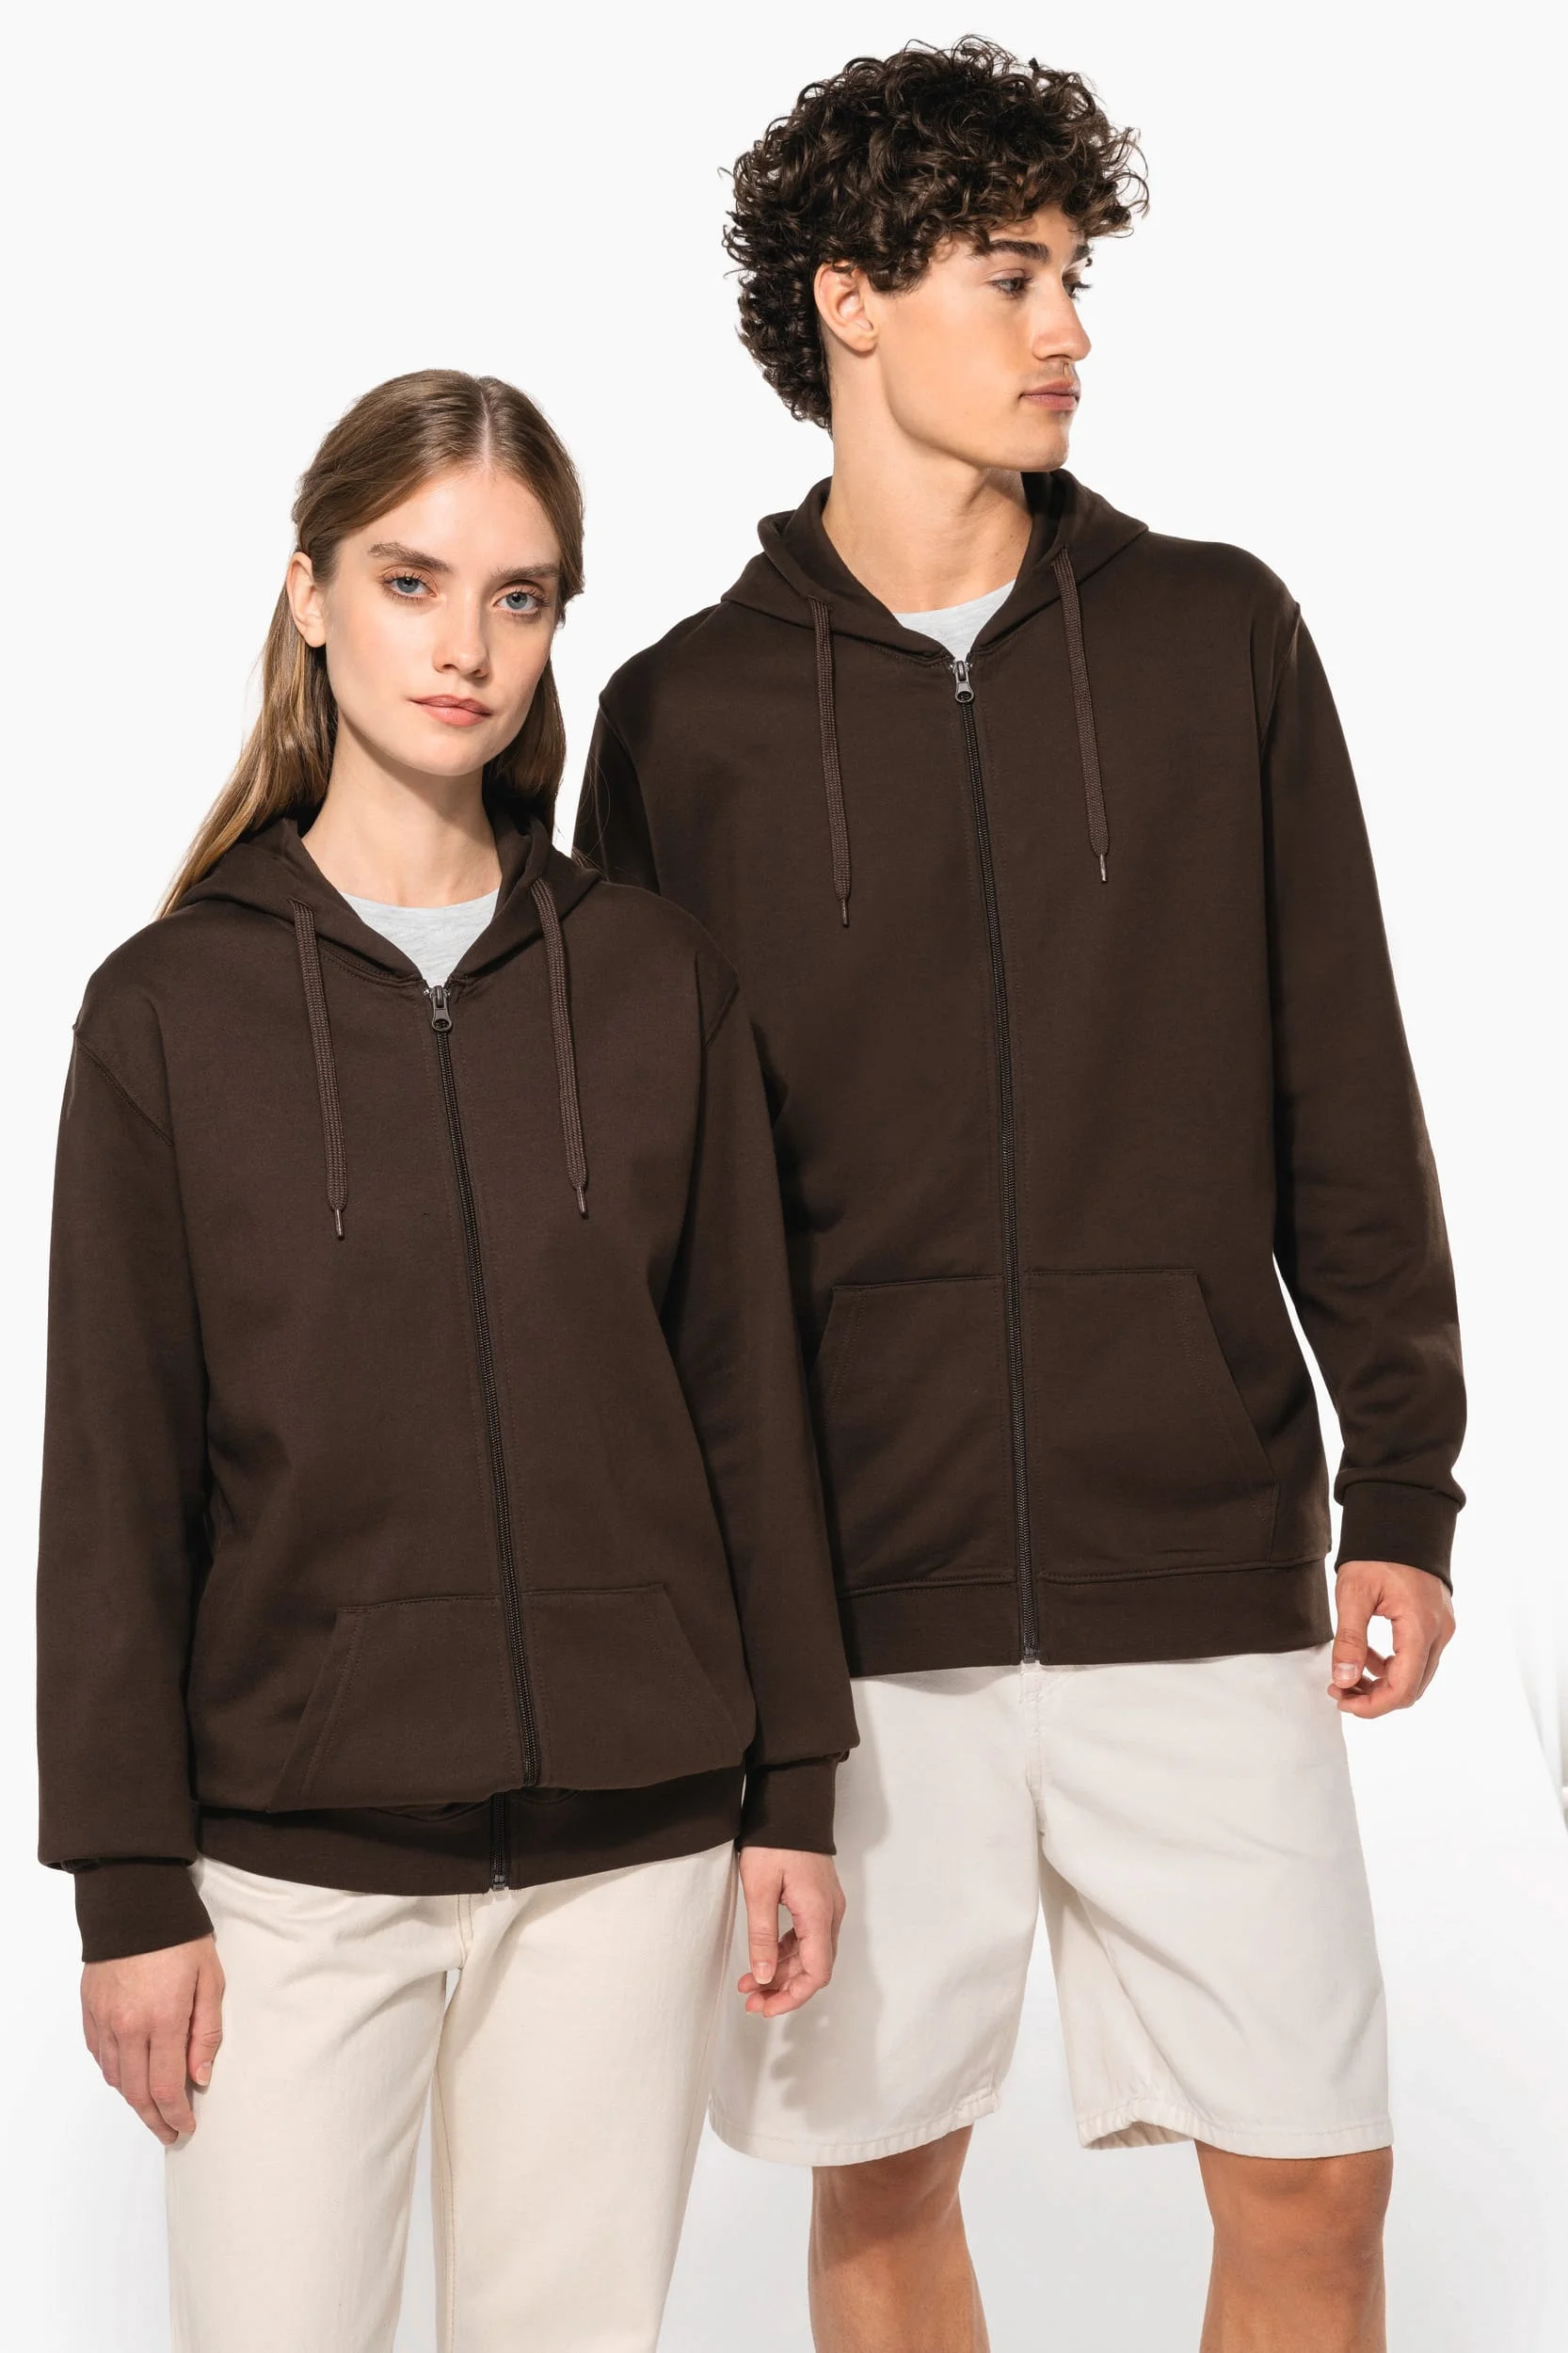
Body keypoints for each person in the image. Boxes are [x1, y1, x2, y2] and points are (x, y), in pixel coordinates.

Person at [575, 40, 1464, 2353]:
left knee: (1314, 2173)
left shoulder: (1216, 638)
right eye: (1010, 273)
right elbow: (646, 1220)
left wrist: (1401, 1477)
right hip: (856, 1595)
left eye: (1076, 272)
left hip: (1198, 1551)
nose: (1069, 325)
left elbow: (1338, 1073)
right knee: (878, 2176)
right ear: (848, 300)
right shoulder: (682, 717)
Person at [36, 368, 856, 2353]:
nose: (464, 645)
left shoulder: (652, 984)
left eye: (519, 595)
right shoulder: (168, 1012)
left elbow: (750, 1412)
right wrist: (128, 1881)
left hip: (631, 1849)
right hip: (290, 1872)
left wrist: (794, 1792)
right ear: (311, 594)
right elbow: (113, 1476)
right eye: (411, 582)